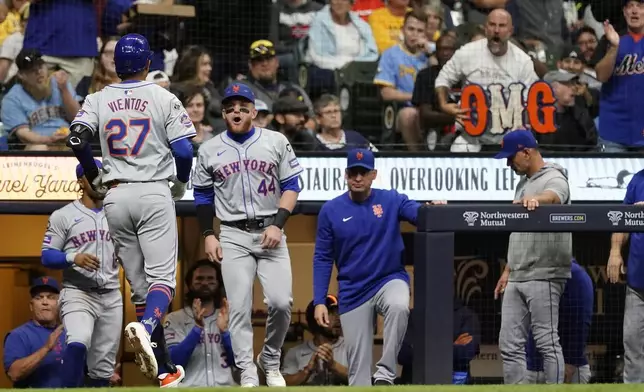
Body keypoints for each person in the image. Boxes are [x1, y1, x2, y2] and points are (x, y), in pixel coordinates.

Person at [65, 33, 195, 385]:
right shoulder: (162, 96)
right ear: (148, 63)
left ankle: (165, 369)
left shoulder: (97, 98)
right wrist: (181, 183)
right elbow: (184, 152)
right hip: (153, 191)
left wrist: (93, 175)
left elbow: (76, 138)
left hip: (116, 195)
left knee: (141, 289)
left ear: (118, 65)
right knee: (163, 281)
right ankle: (147, 325)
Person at [192, 82, 303, 387]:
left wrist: (278, 224)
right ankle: (248, 372)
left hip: (271, 230)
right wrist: (208, 234)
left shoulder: (276, 141)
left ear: (255, 111)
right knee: (239, 307)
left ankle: (269, 357)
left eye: (243, 107)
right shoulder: (210, 148)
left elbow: (292, 186)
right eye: (230, 107)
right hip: (233, 234)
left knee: (281, 302)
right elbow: (201, 196)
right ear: (223, 113)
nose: (236, 111)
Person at [312, 148, 445, 386]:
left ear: (373, 174)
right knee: (358, 372)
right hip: (353, 290)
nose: (358, 178)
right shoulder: (330, 210)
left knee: (399, 306)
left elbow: (418, 213)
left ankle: (385, 374)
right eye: (353, 172)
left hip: (388, 278)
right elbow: (322, 257)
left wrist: (431, 208)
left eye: (363, 173)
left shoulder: (390, 200)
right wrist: (320, 300)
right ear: (345, 174)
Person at [493, 129, 572, 384]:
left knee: (546, 342)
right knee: (509, 344)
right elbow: (517, 232)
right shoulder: (522, 182)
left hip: (545, 272)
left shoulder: (554, 176)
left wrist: (537, 199)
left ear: (526, 152)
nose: (508, 163)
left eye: (510, 157)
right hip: (518, 274)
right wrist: (508, 270)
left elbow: (556, 195)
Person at [40, 160, 122, 387]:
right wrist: (72, 257)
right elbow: (47, 255)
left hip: (112, 294)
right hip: (79, 292)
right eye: (93, 175)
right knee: (78, 341)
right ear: (81, 181)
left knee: (103, 368)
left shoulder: (118, 214)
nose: (100, 180)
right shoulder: (63, 215)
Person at [434, 9, 539, 152]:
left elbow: (531, 98)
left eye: (502, 26)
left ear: (510, 31)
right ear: (485, 28)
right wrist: (443, 104)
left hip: (509, 133)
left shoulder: (523, 61)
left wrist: (524, 120)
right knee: (458, 151)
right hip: (471, 133)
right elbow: (443, 78)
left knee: (527, 154)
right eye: (492, 25)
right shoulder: (468, 52)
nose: (496, 30)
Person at [164, 260, 238, 386]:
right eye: (199, 278)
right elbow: (173, 363)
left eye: (210, 279)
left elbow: (239, 363)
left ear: (218, 283)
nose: (205, 283)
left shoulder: (229, 317)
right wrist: (197, 329)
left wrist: (225, 333)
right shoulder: (174, 319)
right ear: (190, 284)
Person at [526, 260, 594, 384]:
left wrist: (570, 360)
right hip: (534, 366)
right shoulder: (538, 272)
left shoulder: (573, 273)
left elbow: (580, 320)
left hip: (565, 371)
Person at [607, 166, 644, 383]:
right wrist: (615, 251)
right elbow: (622, 218)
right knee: (632, 345)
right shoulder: (638, 179)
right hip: (638, 283)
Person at [397, 298, 481, 384]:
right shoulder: (412, 316)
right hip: (415, 382)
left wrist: (422, 349)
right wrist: (452, 346)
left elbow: (465, 353)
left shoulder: (467, 316)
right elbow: (402, 355)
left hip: (455, 383)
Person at [3, 277, 66, 388]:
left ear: (59, 304)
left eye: (51, 297)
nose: (45, 302)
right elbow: (14, 374)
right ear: (31, 306)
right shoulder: (18, 335)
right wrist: (46, 348)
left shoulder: (72, 333)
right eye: (39, 298)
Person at [281, 295, 349, 386]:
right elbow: (282, 384)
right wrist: (308, 370)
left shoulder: (351, 347)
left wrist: (333, 365)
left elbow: (365, 379)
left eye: (339, 312)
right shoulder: (295, 352)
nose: (338, 317)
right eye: (331, 313)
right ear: (315, 318)